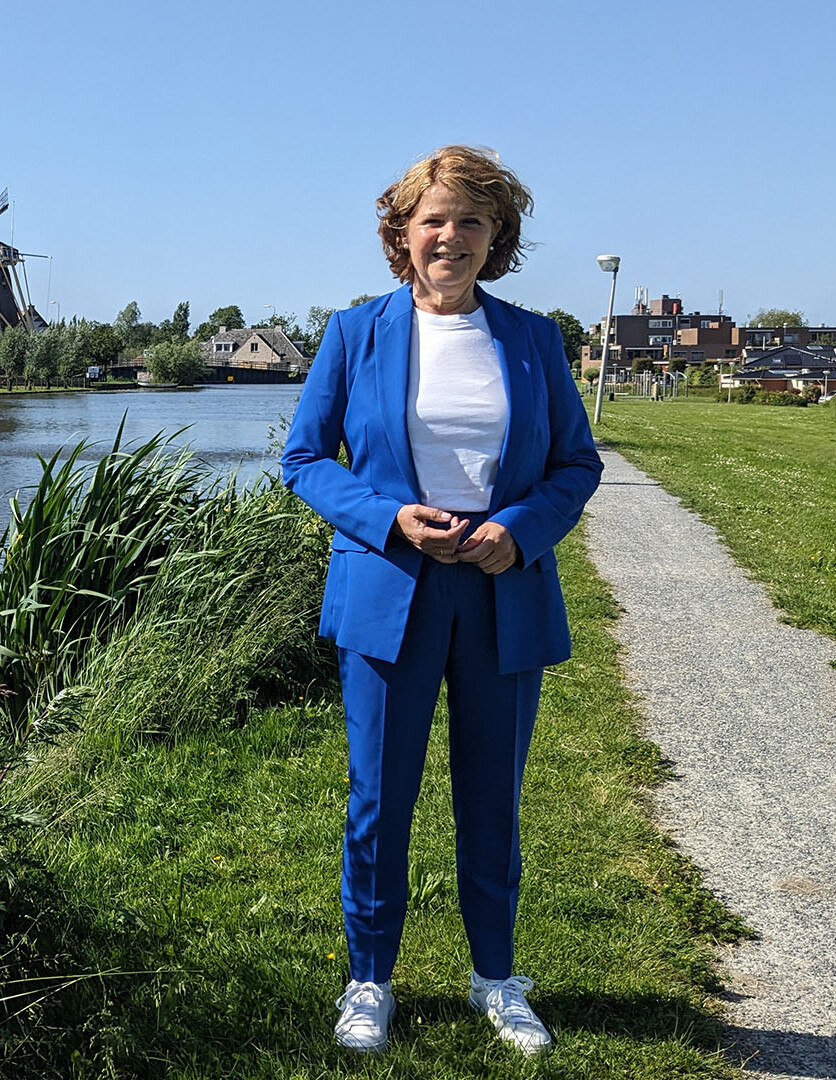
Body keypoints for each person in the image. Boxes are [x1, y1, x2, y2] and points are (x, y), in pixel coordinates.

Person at [281, 146, 603, 1055]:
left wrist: (522, 530)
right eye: (433, 219)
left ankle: (496, 979)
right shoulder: (354, 334)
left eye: (470, 221)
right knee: (380, 796)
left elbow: (578, 464)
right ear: (402, 232)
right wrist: (388, 519)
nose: (449, 238)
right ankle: (369, 979)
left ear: (495, 236)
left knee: (492, 798)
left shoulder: (534, 340)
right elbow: (304, 460)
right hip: (392, 591)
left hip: (503, 593)